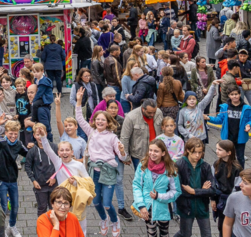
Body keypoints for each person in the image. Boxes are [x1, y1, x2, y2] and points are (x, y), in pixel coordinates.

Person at [74, 86, 126, 237]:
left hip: (108, 171)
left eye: (103, 120)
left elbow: (122, 157)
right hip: (93, 172)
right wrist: (78, 101)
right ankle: (104, 220)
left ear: (108, 122)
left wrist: (122, 151)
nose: (100, 122)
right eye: (98, 119)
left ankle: (115, 221)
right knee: (95, 202)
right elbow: (79, 119)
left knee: (107, 204)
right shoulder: (91, 132)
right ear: (95, 121)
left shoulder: (112, 137)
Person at [0, 114, 27, 236]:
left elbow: (28, 154)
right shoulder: (1, 141)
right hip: (1, 180)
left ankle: (12, 226)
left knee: (15, 206)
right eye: (11, 133)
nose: (13, 136)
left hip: (13, 180)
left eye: (15, 134)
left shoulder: (18, 144)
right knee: (3, 206)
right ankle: (2, 228)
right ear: (6, 132)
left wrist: (35, 149)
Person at [132, 140, 178, 237]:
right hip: (147, 206)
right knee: (151, 233)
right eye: (150, 150)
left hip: (163, 207)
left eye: (156, 151)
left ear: (163, 153)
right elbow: (136, 185)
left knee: (164, 233)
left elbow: (176, 191)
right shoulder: (143, 165)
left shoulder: (170, 168)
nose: (152, 153)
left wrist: (159, 196)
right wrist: (141, 205)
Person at [208, 86, 251, 168]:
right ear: (229, 96)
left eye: (236, 94)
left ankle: (240, 174)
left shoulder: (246, 108)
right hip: (227, 137)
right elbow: (219, 120)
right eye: (232, 94)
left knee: (240, 157)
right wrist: (208, 118)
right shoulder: (225, 107)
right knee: (227, 157)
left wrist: (249, 125)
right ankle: (227, 172)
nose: (234, 96)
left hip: (240, 137)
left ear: (240, 94)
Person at [175, 138, 214, 237]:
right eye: (194, 152)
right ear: (187, 150)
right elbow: (178, 190)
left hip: (202, 207)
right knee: (185, 234)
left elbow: (213, 190)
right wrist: (202, 190)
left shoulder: (206, 166)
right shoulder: (179, 165)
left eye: (200, 152)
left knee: (207, 234)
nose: (197, 155)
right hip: (186, 208)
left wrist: (194, 191)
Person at [120, 99, 163, 170]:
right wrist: (125, 156)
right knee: (141, 178)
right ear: (143, 109)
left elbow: (161, 131)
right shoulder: (131, 117)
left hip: (156, 153)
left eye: (154, 112)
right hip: (139, 155)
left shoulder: (159, 113)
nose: (152, 115)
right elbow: (124, 137)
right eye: (149, 113)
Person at [212, 140, 243, 236]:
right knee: (221, 225)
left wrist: (231, 200)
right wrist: (213, 199)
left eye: (220, 150)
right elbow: (213, 182)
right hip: (220, 199)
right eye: (217, 149)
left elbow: (238, 186)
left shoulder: (237, 168)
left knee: (229, 224)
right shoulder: (216, 164)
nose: (217, 151)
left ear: (229, 152)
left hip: (231, 199)